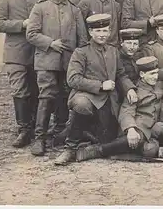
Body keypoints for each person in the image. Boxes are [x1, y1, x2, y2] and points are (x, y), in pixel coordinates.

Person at [54, 14, 137, 165]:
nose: (102, 35)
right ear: (91, 32)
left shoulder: (113, 51)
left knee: (106, 139)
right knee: (81, 105)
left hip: (109, 100)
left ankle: (82, 134)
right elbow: (73, 79)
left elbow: (121, 74)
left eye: (105, 31)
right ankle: (70, 148)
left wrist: (130, 88)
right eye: (98, 31)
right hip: (88, 95)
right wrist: (100, 85)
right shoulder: (81, 52)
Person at [26, 0, 88, 156]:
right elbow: (31, 34)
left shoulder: (74, 9)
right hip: (46, 61)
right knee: (46, 97)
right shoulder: (40, 7)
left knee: (65, 96)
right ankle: (40, 138)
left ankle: (60, 133)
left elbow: (83, 40)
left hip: (68, 62)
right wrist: (50, 43)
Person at [75, 56, 163, 162]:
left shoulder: (160, 85)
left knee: (150, 150)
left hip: (153, 128)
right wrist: (131, 129)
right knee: (139, 141)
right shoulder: (134, 91)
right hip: (138, 127)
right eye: (152, 74)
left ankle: (119, 153)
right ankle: (98, 150)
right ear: (142, 75)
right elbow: (126, 111)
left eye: (156, 73)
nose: (155, 77)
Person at [0, 0, 41, 148]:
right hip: (16, 53)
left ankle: (36, 127)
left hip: (36, 53)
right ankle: (23, 129)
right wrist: (22, 24)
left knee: (36, 89)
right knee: (20, 90)